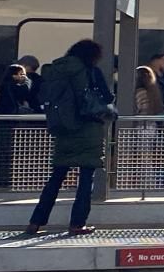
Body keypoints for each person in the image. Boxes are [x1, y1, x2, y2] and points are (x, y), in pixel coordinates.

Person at [27, 39, 114, 235]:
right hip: (88, 129)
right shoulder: (91, 71)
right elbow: (107, 98)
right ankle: (77, 224)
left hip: (63, 128)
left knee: (56, 178)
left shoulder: (56, 70)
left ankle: (35, 222)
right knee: (85, 179)